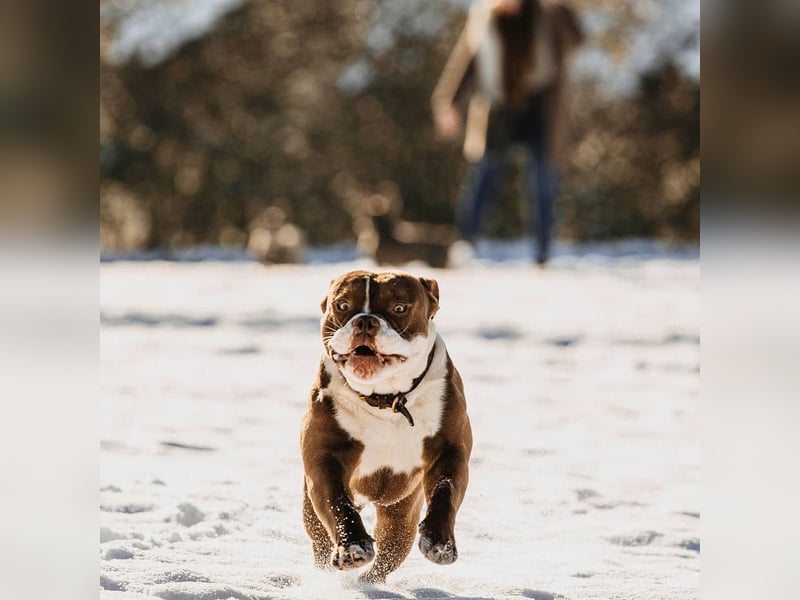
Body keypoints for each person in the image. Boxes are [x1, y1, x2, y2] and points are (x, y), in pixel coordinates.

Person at [432, 0, 583, 265]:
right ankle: (465, 245)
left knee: (542, 180)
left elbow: (577, 38)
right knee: (484, 175)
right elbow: (467, 58)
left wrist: (560, 6)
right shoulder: (484, 17)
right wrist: (449, 103)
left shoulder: (548, 12)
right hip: (499, 108)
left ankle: (543, 253)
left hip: (541, 106)